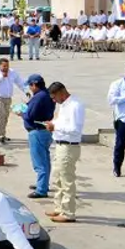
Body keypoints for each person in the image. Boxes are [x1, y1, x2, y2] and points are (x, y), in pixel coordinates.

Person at [42, 82, 85, 223]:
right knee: (58, 178)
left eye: (55, 97)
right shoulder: (63, 105)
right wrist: (52, 124)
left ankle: (68, 212)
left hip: (69, 146)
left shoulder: (75, 105)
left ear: (62, 92)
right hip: (60, 145)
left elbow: (74, 128)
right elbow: (61, 122)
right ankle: (59, 207)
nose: (54, 101)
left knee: (67, 180)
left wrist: (56, 127)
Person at [23, 74, 54, 199]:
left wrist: (23, 113)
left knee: (39, 162)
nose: (30, 88)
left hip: (37, 131)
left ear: (34, 85)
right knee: (45, 159)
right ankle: (43, 184)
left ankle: (41, 189)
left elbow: (30, 115)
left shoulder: (38, 97)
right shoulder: (47, 95)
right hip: (45, 131)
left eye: (30, 85)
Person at [0, 58, 21, 144]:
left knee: (5, 116)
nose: (6, 68)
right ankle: (0, 135)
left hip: (7, 98)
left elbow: (19, 81)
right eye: (4, 66)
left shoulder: (12, 72)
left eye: (7, 66)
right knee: (0, 114)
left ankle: (3, 134)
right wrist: (2, 77)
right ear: (0, 65)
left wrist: (26, 90)